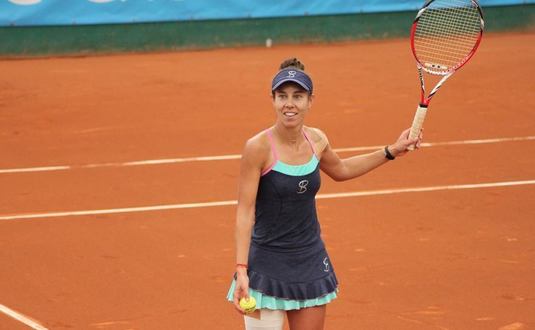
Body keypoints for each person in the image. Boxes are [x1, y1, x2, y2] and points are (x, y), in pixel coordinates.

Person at [226, 57, 422, 330]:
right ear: (273, 100)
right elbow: (244, 211)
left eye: (298, 96)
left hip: (309, 260)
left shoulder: (317, 139)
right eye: (282, 96)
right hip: (266, 265)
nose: (289, 104)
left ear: (310, 101)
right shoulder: (258, 148)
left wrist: (391, 151)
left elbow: (341, 169)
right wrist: (241, 269)